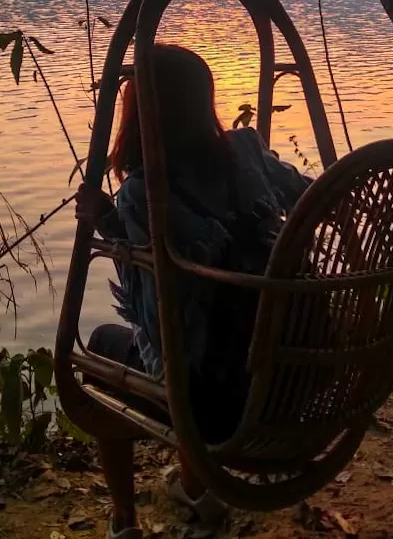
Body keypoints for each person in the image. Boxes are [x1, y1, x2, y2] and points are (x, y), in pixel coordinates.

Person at [75, 43, 310, 539]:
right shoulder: (247, 152)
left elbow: (155, 295)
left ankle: (123, 520)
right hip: (293, 381)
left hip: (218, 406)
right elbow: (313, 195)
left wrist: (107, 221)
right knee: (204, 330)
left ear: (139, 112)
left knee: (105, 344)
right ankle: (200, 497)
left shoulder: (144, 193)